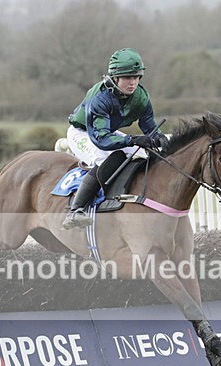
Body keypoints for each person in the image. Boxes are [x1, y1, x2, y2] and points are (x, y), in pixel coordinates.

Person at [62, 47, 168, 230]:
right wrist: (133, 139)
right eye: (127, 77)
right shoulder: (100, 98)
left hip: (107, 131)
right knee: (104, 158)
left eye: (136, 77)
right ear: (115, 78)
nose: (132, 83)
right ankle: (76, 210)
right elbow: (101, 140)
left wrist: (158, 138)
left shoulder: (141, 96)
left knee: (143, 154)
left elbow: (149, 125)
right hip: (84, 133)